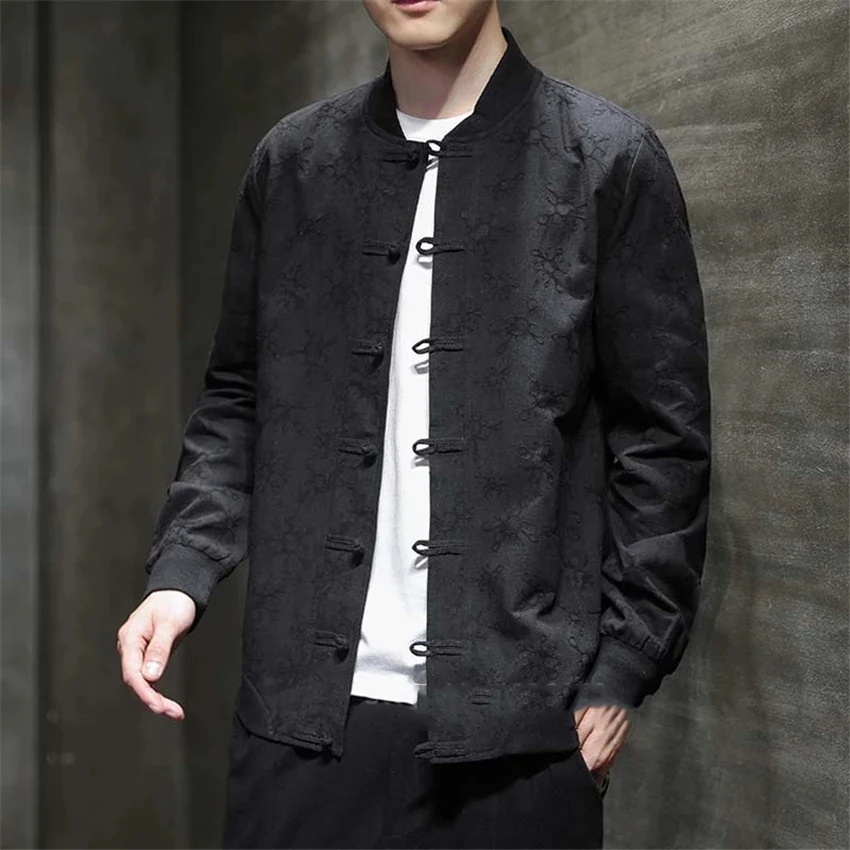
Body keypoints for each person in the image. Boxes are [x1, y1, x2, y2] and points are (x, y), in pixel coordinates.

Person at [116, 1, 712, 847]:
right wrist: (181, 573)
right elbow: (238, 397)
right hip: (298, 731)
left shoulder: (607, 159)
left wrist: (623, 667)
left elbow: (663, 443)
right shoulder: (293, 164)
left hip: (517, 742)